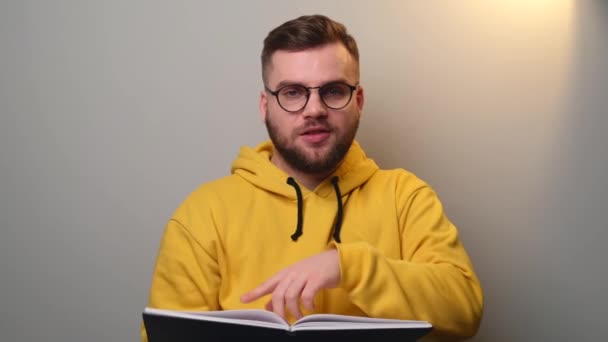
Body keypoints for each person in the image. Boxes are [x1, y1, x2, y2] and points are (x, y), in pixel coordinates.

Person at [141, 14, 483, 341]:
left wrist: (351, 267)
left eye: (333, 91)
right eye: (293, 92)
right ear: (265, 106)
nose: (314, 109)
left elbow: (464, 309)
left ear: (358, 101)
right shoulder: (203, 213)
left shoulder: (405, 197)